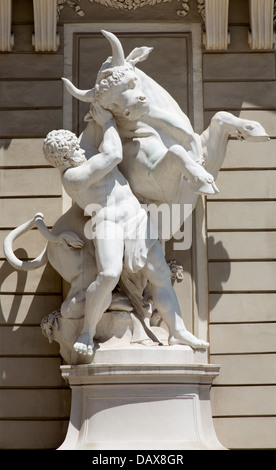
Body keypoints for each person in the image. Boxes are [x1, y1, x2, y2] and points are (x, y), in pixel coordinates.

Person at [43, 104, 209, 355]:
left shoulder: (84, 156)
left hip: (136, 217)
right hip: (108, 222)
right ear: (62, 160)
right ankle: (87, 331)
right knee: (109, 274)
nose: (78, 151)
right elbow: (113, 156)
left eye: (75, 147)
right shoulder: (72, 177)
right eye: (71, 151)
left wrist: (101, 111)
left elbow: (96, 139)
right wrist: (107, 121)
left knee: (160, 273)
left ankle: (177, 331)